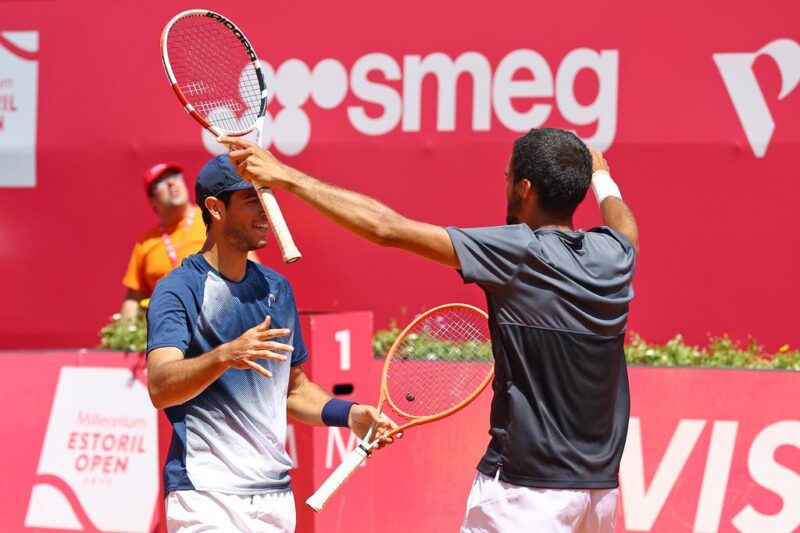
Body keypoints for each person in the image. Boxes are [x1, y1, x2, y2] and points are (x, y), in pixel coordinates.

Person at [219, 128, 639, 533]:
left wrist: (286, 177)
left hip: (525, 494)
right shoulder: (614, 255)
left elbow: (386, 228)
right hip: (598, 495)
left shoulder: (518, 250)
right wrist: (602, 178)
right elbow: (625, 226)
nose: (505, 184)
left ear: (525, 188)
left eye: (508, 176)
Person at [146, 155, 396, 532]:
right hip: (205, 495)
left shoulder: (276, 288)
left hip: (274, 498)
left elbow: (292, 390)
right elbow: (160, 387)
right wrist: (225, 356)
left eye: (268, 196)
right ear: (215, 208)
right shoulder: (177, 289)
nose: (267, 210)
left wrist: (348, 414)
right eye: (252, 199)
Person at [120, 163, 205, 320]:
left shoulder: (213, 219)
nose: (171, 182)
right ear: (151, 200)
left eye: (175, 176)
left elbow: (247, 266)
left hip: (217, 321)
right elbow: (133, 298)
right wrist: (125, 330)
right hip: (168, 327)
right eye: (161, 181)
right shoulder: (145, 244)